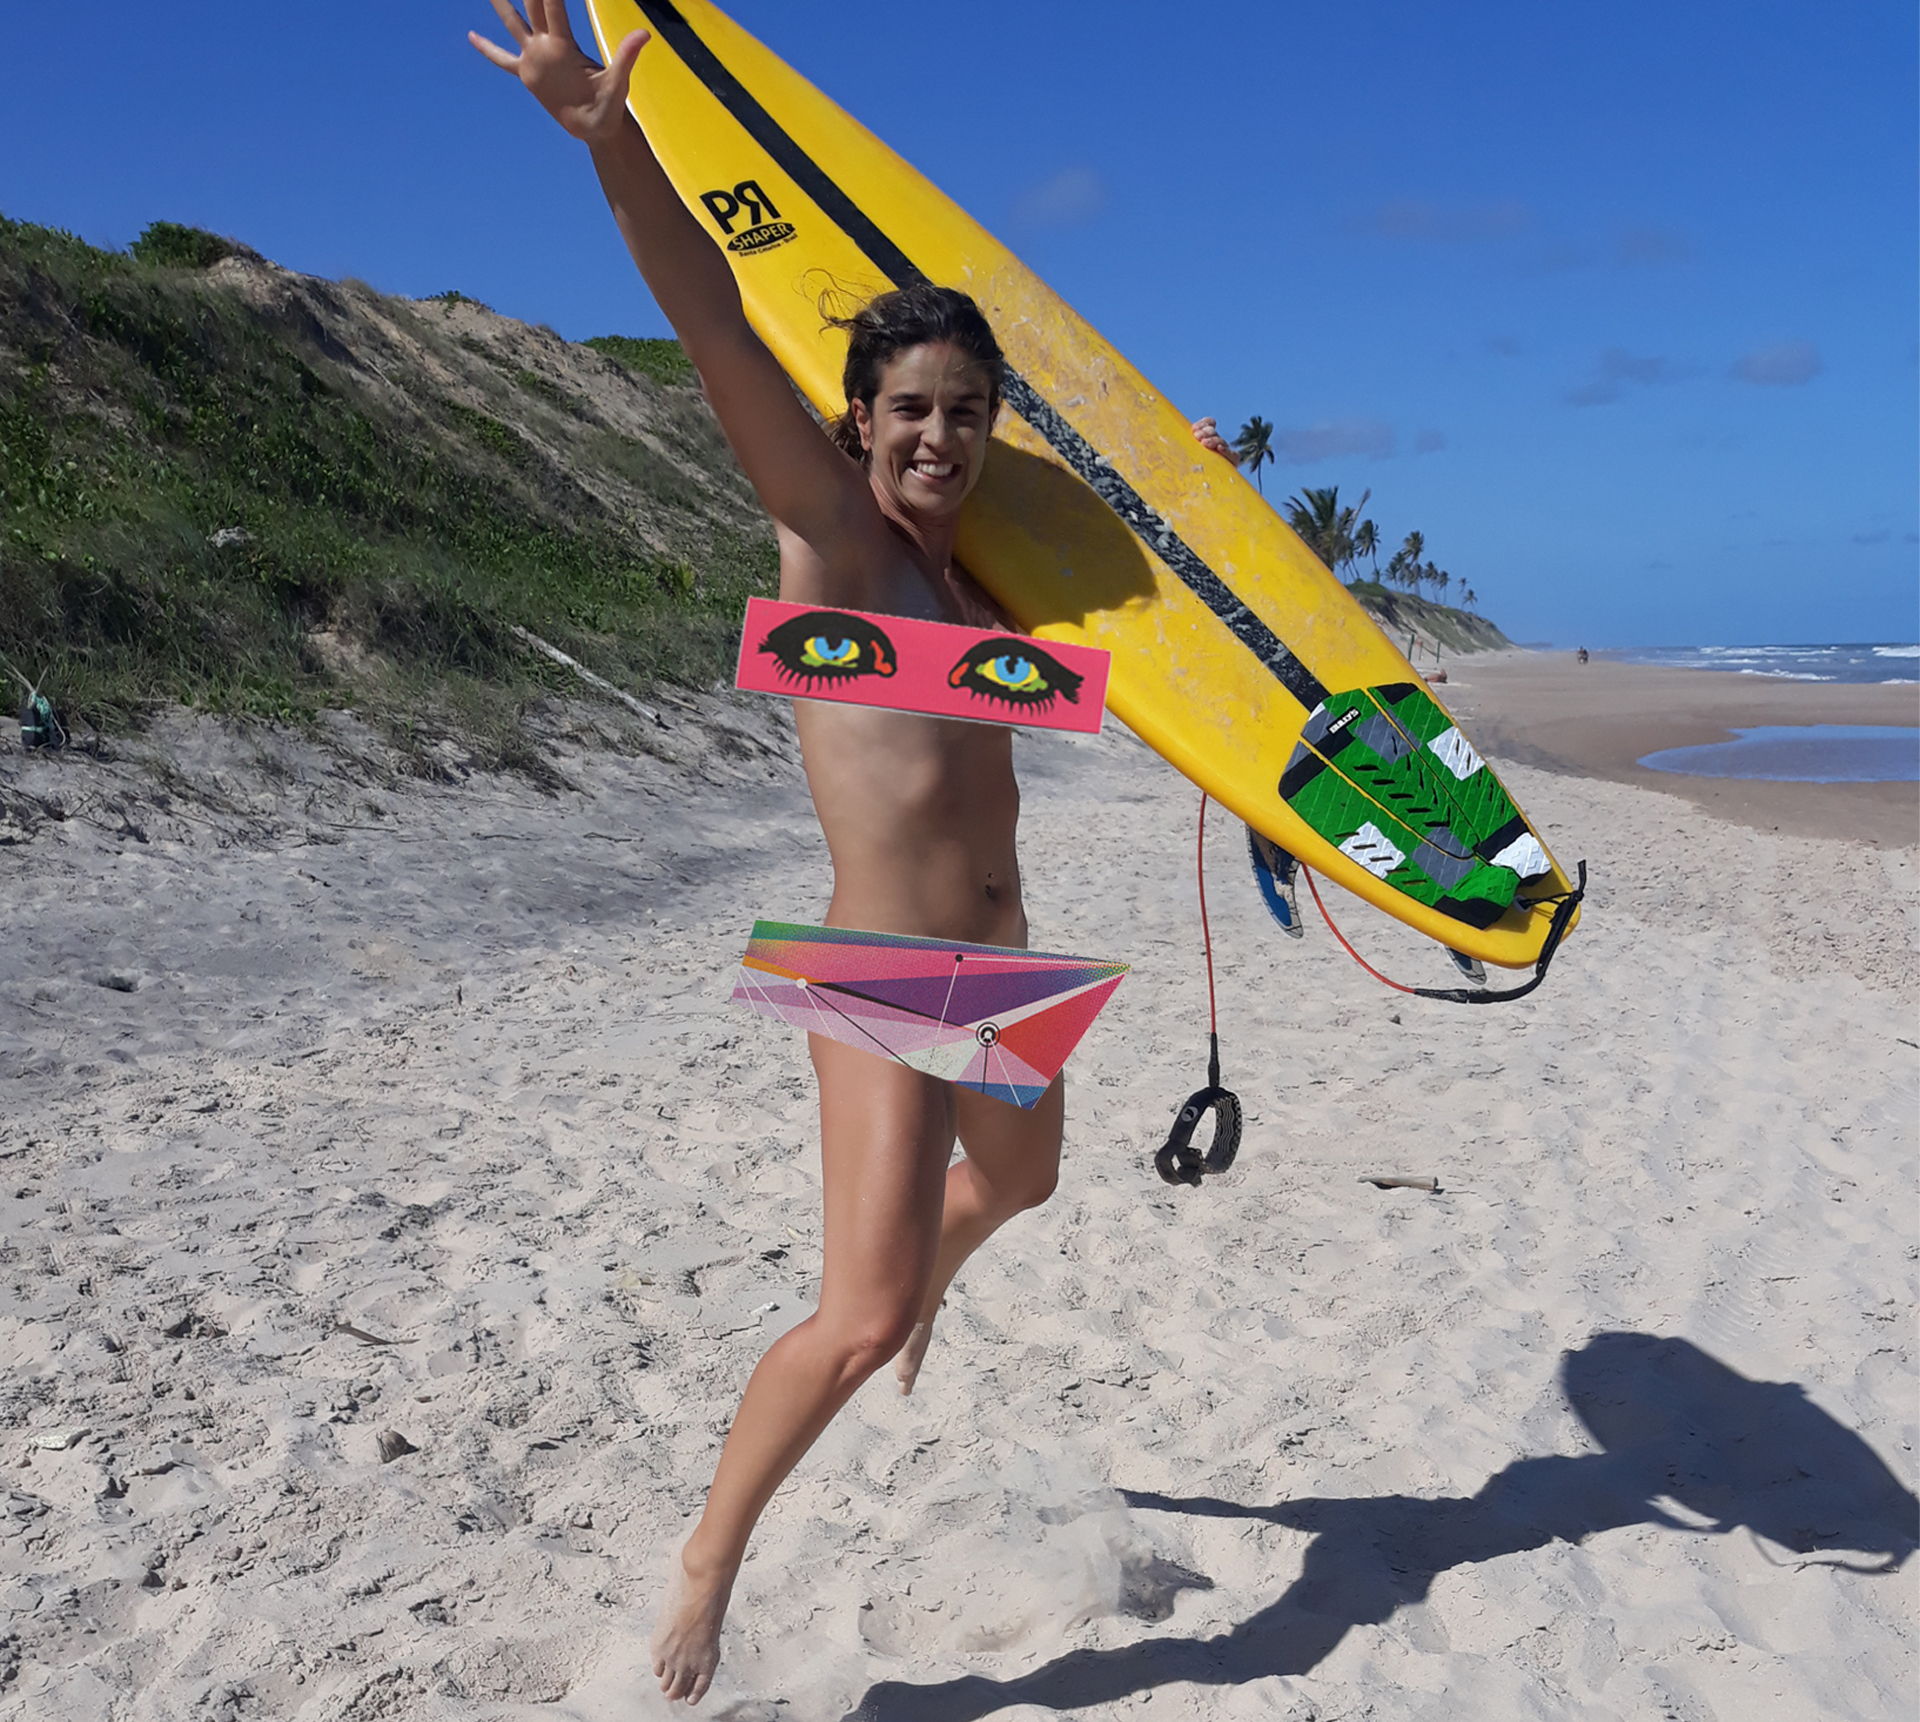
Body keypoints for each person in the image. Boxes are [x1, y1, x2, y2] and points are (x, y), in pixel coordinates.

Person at [471, 4, 1236, 1703]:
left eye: (965, 411)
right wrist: (611, 143)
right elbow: (713, 323)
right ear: (863, 416)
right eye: (907, 408)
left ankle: (927, 1275)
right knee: (862, 1313)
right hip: (884, 971)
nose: (936, 438)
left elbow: (1193, 642)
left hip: (1006, 961)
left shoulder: (992, 598)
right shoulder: (834, 547)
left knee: (1023, 1184)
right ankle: (709, 1559)